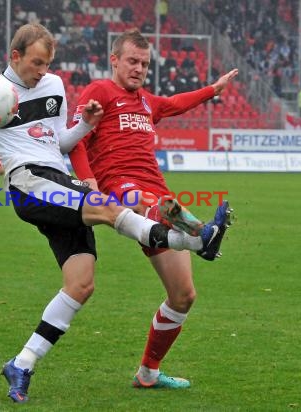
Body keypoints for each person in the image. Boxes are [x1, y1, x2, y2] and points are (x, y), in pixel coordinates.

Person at [0, 23, 228, 404]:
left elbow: (58, 142)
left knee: (81, 284)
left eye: (47, 63)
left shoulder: (54, 86)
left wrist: (85, 125)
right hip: (30, 182)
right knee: (110, 208)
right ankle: (194, 240)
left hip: (55, 178)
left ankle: (23, 363)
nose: (42, 70)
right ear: (14, 57)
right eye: (35, 62)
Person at [69, 29, 237, 389]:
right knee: (149, 204)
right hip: (120, 188)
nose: (139, 68)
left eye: (144, 63)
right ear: (114, 60)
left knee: (183, 295)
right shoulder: (99, 91)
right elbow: (77, 141)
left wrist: (214, 90)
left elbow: (177, 103)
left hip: (158, 189)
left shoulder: (146, 102)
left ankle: (148, 373)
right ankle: (201, 234)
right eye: (132, 61)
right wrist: (89, 183)